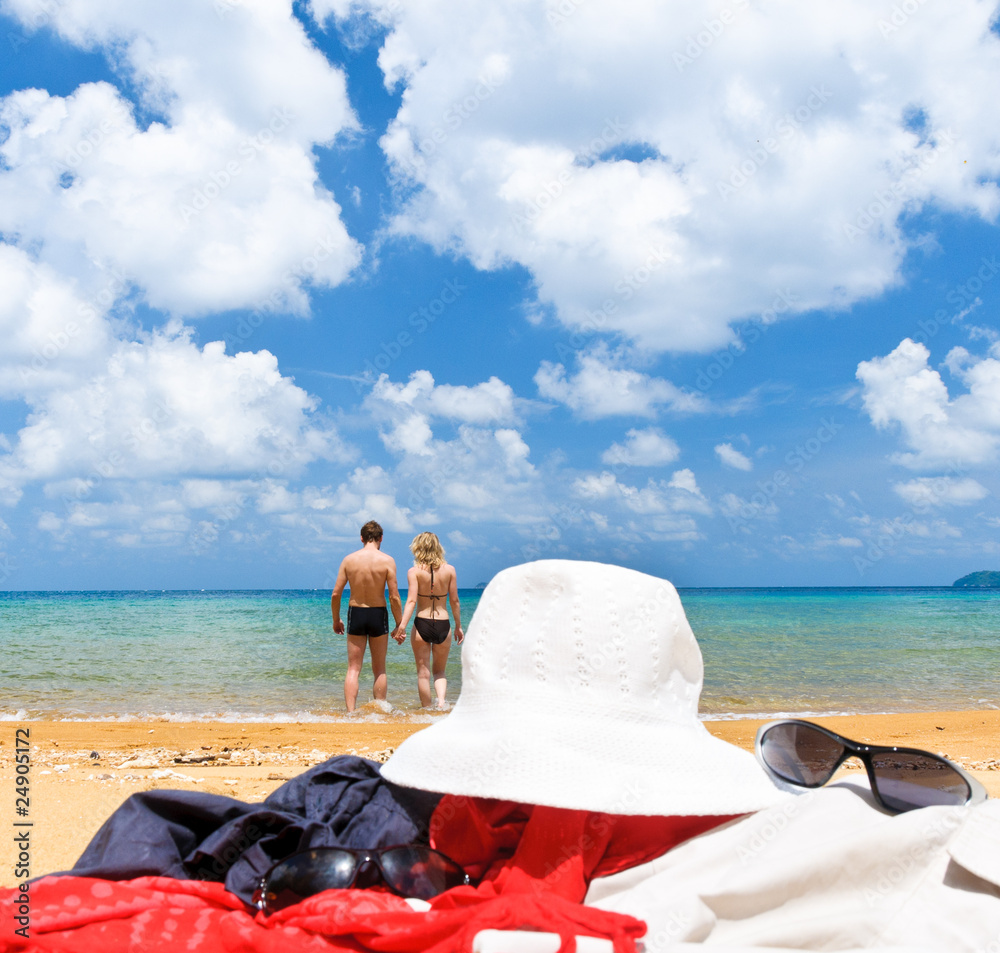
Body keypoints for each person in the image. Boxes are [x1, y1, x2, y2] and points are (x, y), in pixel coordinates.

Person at [331, 520, 403, 712]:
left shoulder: (349, 560)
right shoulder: (387, 561)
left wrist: (336, 619)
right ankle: (379, 711)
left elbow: (336, 594)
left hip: (356, 612)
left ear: (361, 538)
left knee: (353, 668)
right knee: (379, 668)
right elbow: (394, 596)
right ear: (380, 538)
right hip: (378, 613)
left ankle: (351, 713)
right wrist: (399, 624)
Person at [392, 532, 464, 709]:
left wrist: (401, 627)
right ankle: (441, 703)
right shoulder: (450, 570)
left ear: (418, 548)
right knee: (439, 671)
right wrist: (458, 626)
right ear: (438, 547)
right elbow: (454, 601)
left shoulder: (414, 572)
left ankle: (426, 710)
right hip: (443, 623)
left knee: (423, 674)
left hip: (421, 623)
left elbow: (411, 601)